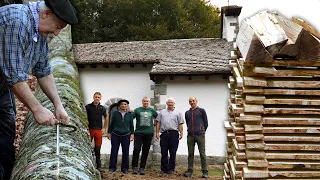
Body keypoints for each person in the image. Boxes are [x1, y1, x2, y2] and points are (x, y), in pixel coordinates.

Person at [0, 0, 77, 179]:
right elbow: (14, 76)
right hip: (5, 81)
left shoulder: (39, 31)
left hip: (1, 87)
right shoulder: (17, 22)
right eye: (58, 26)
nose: (57, 33)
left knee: (6, 132)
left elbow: (43, 70)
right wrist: (37, 109)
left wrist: (58, 105)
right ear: (46, 13)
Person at [156, 97, 184, 174]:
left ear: (174, 104)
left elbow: (180, 124)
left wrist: (181, 133)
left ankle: (171, 168)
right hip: (164, 133)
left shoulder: (178, 113)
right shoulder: (162, 112)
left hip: (174, 134)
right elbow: (158, 123)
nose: (170, 104)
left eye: (172, 102)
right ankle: (164, 168)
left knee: (173, 152)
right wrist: (157, 132)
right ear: (167, 103)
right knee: (163, 151)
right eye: (169, 102)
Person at [132, 97, 158, 175]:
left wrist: (155, 123)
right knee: (136, 149)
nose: (146, 102)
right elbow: (130, 119)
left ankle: (142, 168)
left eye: (147, 101)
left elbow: (158, 118)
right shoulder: (137, 110)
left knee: (145, 150)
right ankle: (135, 167)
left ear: (149, 102)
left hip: (149, 133)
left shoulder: (152, 111)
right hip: (139, 133)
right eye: (144, 101)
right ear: (142, 102)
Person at [184, 97, 208, 179]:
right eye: (190, 101)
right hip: (190, 136)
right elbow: (188, 123)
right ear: (189, 103)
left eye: (193, 101)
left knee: (202, 153)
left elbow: (206, 123)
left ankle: (205, 172)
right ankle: (190, 171)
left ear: (196, 101)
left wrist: (201, 130)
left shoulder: (201, 111)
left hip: (200, 135)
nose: (192, 102)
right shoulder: (187, 113)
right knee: (190, 154)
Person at [107, 99, 134, 174]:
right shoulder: (115, 113)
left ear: (127, 106)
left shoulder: (129, 114)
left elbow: (131, 125)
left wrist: (132, 134)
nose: (123, 105)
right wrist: (109, 132)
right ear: (119, 106)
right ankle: (112, 168)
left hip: (126, 135)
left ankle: (125, 169)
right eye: (122, 104)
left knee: (125, 152)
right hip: (115, 135)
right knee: (114, 151)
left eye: (125, 104)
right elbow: (111, 123)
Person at [85, 92, 109, 172]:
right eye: (96, 97)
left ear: (100, 98)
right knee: (87, 147)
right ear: (93, 97)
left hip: (98, 130)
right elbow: (84, 116)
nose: (97, 98)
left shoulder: (102, 108)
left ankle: (99, 166)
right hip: (90, 129)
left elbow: (106, 118)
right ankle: (86, 165)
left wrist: (104, 128)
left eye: (99, 97)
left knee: (98, 148)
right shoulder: (88, 107)